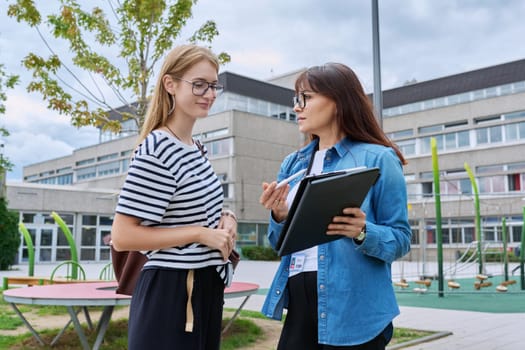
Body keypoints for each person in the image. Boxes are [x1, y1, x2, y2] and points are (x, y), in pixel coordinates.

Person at [259, 63, 411, 349]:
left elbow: (401, 238)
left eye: (306, 97)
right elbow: (278, 245)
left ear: (339, 101)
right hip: (300, 307)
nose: (296, 107)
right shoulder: (293, 164)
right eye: (296, 99)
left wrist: (362, 231)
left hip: (355, 310)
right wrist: (279, 214)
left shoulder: (379, 159)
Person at [111, 44, 237, 350]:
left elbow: (195, 210)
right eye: (199, 84)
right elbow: (123, 235)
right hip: (171, 292)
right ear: (170, 84)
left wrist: (227, 218)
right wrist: (199, 234)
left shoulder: (196, 148)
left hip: (204, 287)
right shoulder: (158, 149)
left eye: (213, 85)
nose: (209, 93)